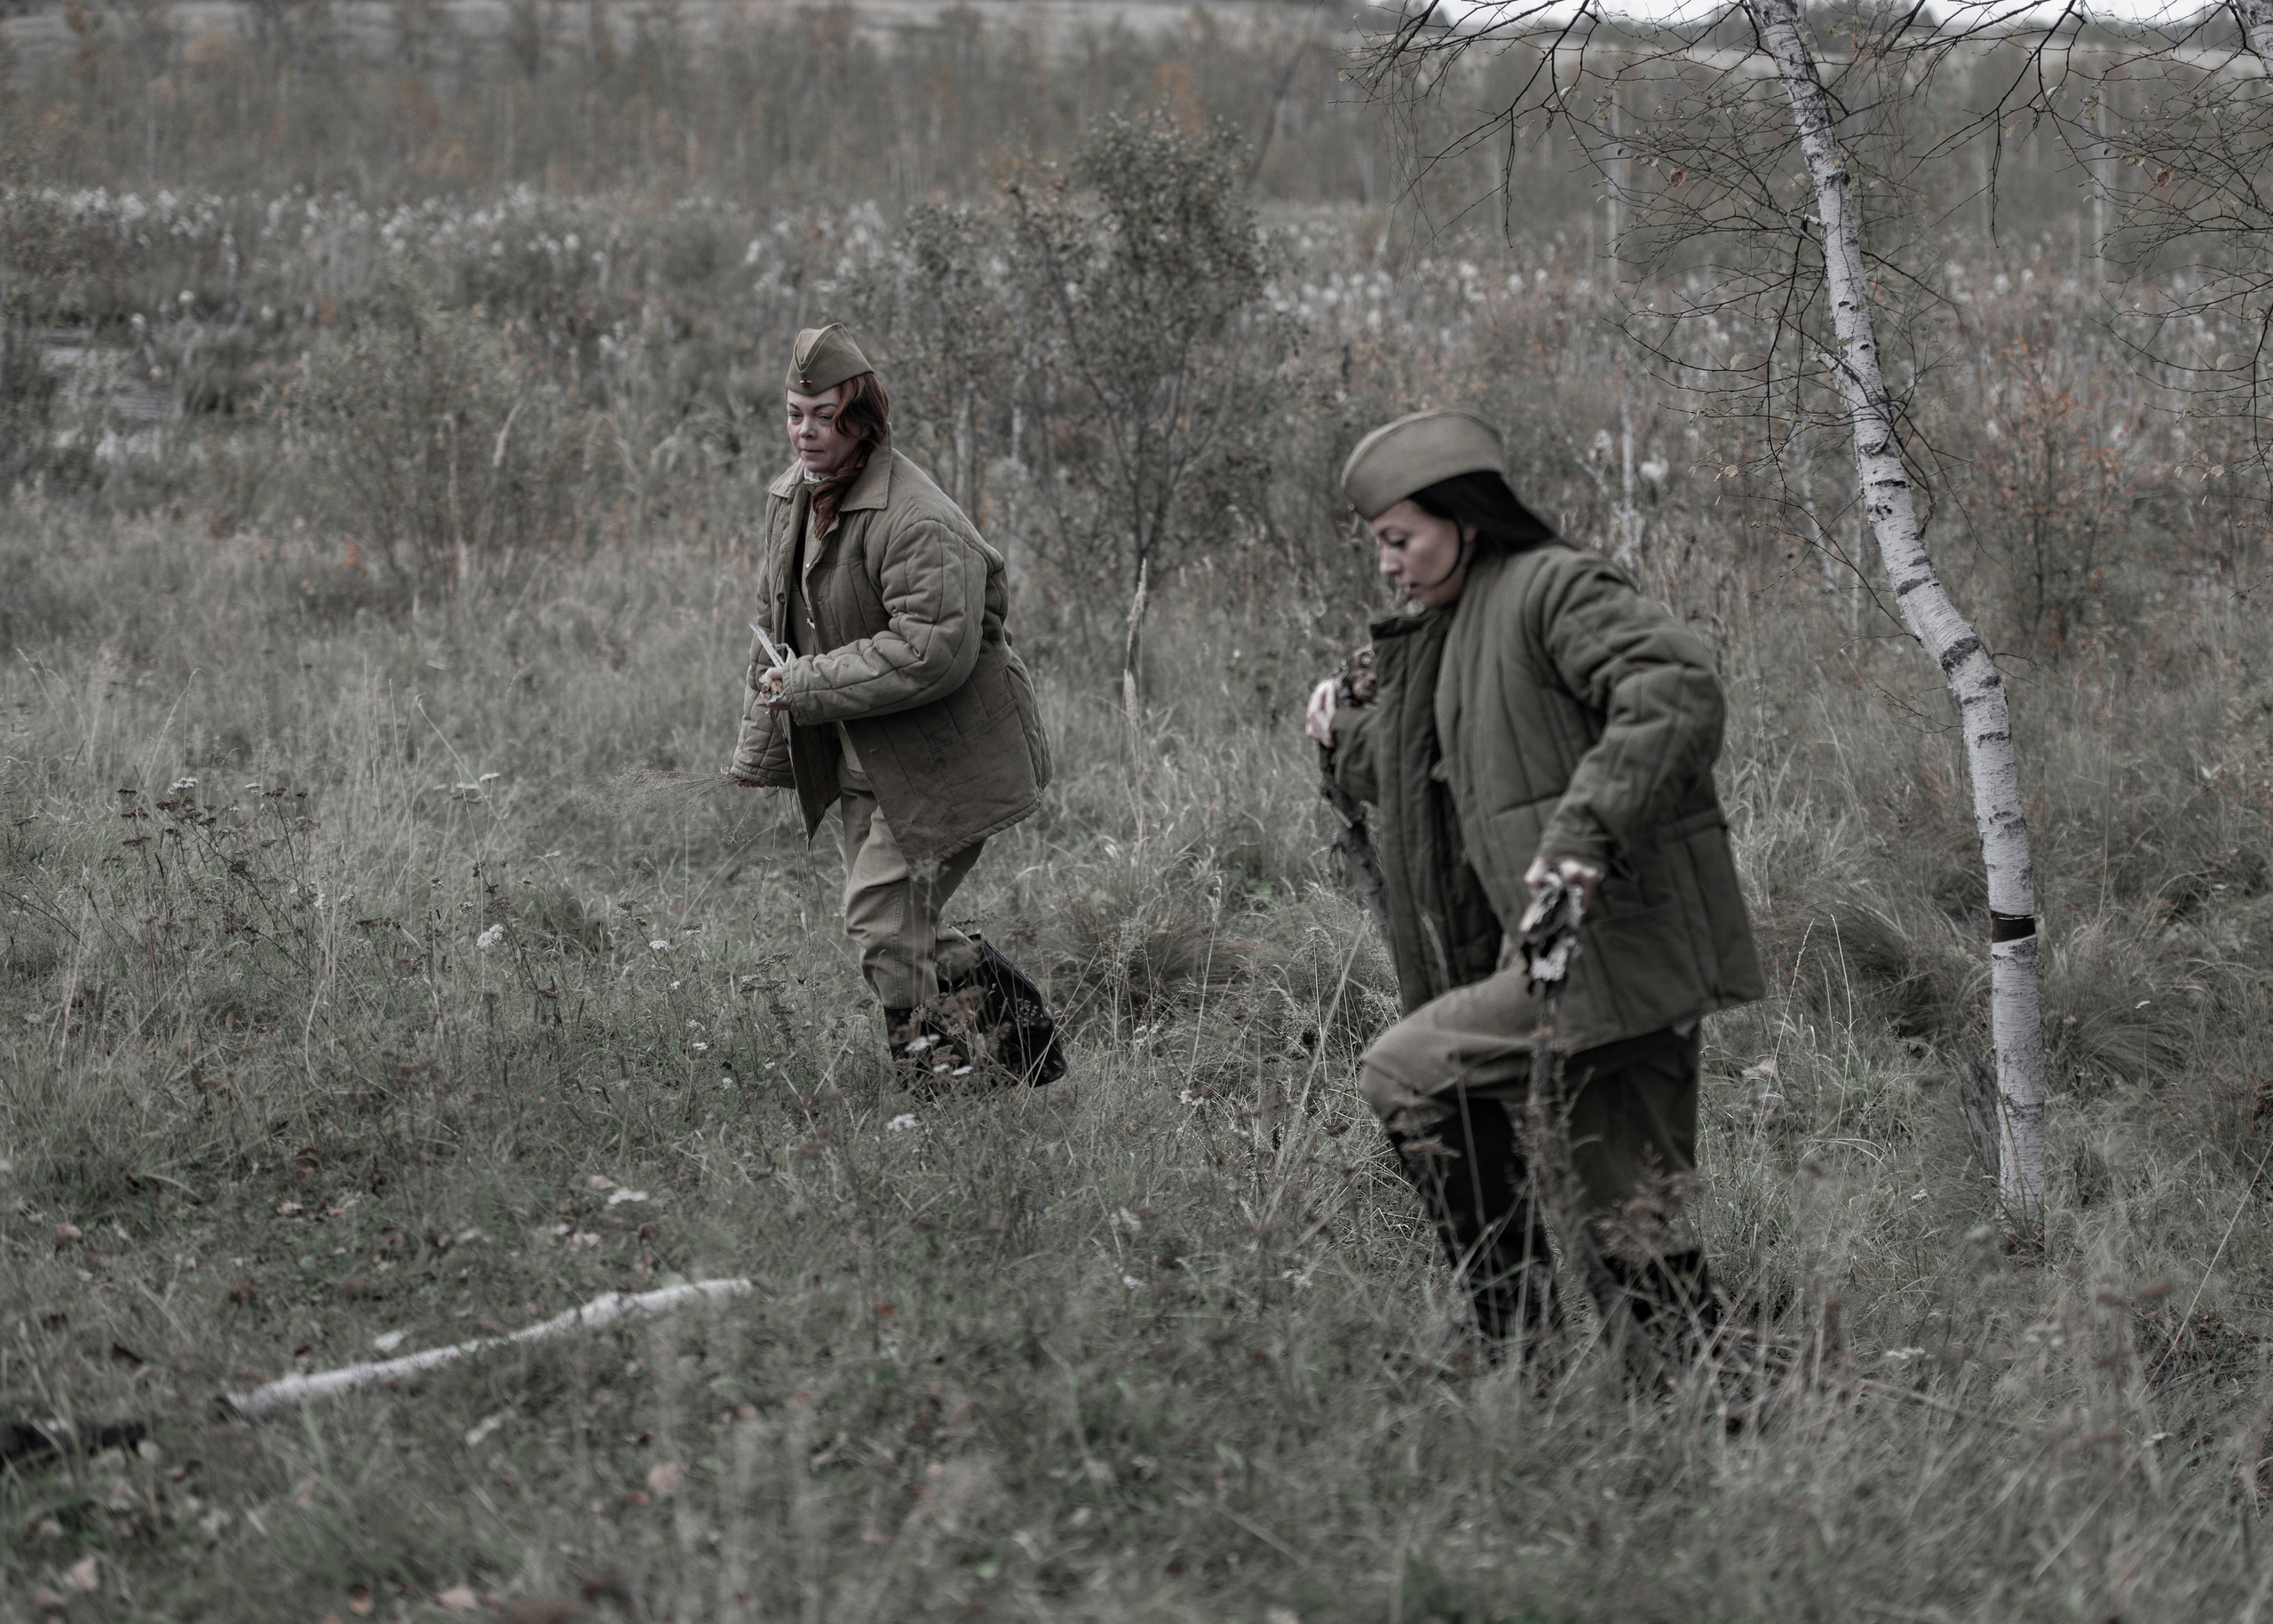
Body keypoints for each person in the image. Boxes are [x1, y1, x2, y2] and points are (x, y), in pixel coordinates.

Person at [1304, 409, 1764, 1370]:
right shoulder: (1455, 620)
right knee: (1631, 1215)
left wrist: (1582, 835)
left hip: (1609, 944)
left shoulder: (1553, 586)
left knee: (1408, 1070)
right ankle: (1705, 1406)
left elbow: (1672, 686)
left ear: (1465, 519)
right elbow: (1427, 776)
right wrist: (1339, 730)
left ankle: (1524, 1354)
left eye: (1401, 539)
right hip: (1556, 953)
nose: (1387, 563)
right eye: (1379, 544)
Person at [732, 323, 1064, 1086]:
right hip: (863, 758)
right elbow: (774, 625)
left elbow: (932, 651)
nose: (805, 431)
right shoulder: (794, 498)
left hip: (948, 757)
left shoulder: (918, 519)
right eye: (793, 413)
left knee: (880, 922)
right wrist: (764, 741)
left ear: (863, 418)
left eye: (823, 415)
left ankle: (937, 1086)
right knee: (899, 929)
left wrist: (809, 685)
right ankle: (1016, 1055)